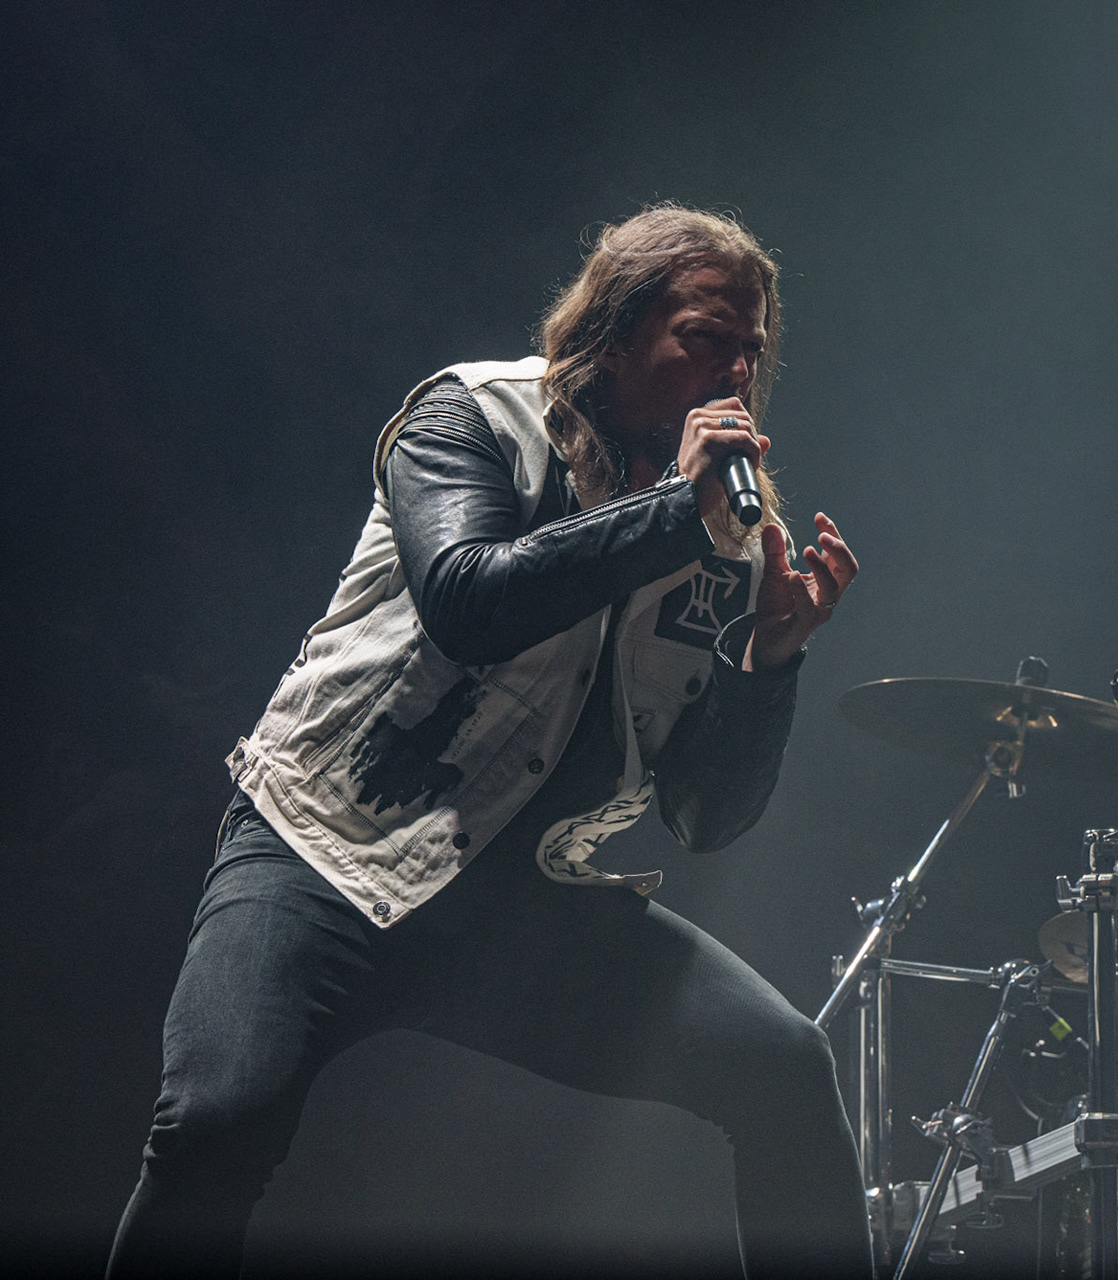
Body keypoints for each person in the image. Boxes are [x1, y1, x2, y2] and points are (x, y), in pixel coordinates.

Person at [108, 206, 872, 1277]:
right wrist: (672, 516)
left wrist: (771, 662)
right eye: (704, 335)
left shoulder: (728, 545)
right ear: (610, 333)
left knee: (786, 1068)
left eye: (752, 348)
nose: (735, 370)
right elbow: (470, 599)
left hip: (520, 895)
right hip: (328, 850)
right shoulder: (471, 416)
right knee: (215, 1121)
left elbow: (707, 816)